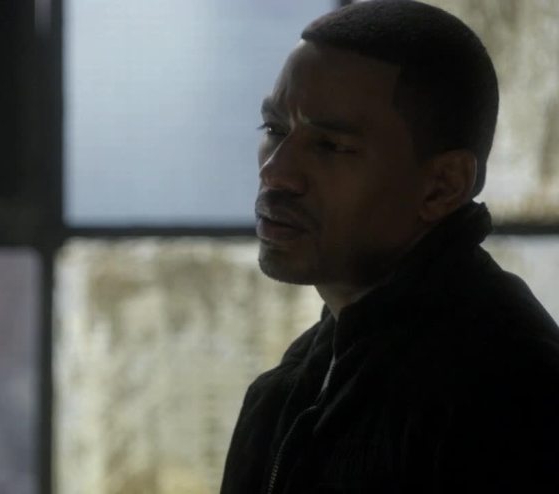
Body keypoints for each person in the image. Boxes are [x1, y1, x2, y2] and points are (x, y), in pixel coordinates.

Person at [220, 1, 559, 492]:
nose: (276, 172)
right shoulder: (285, 391)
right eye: (275, 130)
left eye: (331, 145)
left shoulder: (509, 396)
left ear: (442, 186)